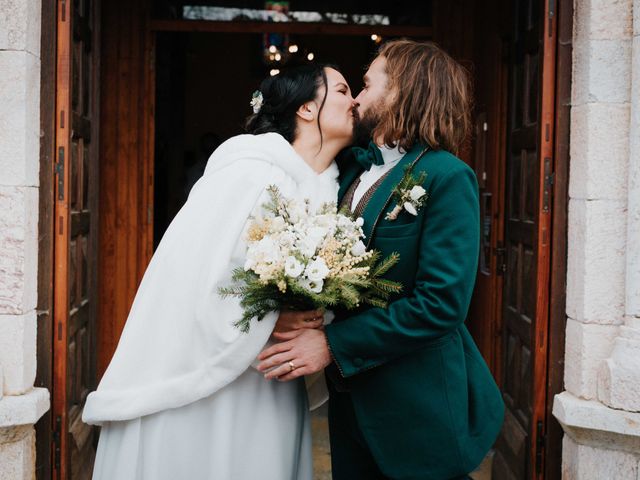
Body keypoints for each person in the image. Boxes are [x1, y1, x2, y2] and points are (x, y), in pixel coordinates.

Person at [83, 64, 357, 480]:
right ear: (306, 108)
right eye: (342, 90)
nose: (354, 100)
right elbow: (195, 279)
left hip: (272, 378)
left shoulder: (327, 190)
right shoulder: (249, 171)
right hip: (211, 384)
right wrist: (268, 322)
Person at [258, 40, 505, 480]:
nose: (355, 98)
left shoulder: (447, 177)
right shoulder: (352, 168)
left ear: (402, 92)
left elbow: (441, 305)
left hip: (417, 406)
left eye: (367, 85)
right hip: (352, 401)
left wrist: (332, 344)